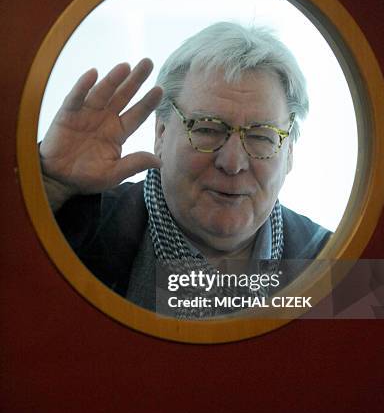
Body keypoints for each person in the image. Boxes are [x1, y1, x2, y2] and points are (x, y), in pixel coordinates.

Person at [40, 22, 331, 315]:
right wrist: (50, 186)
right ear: (161, 133)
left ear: (289, 153)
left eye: (261, 136)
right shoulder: (76, 231)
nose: (232, 163)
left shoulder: (334, 261)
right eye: (207, 129)